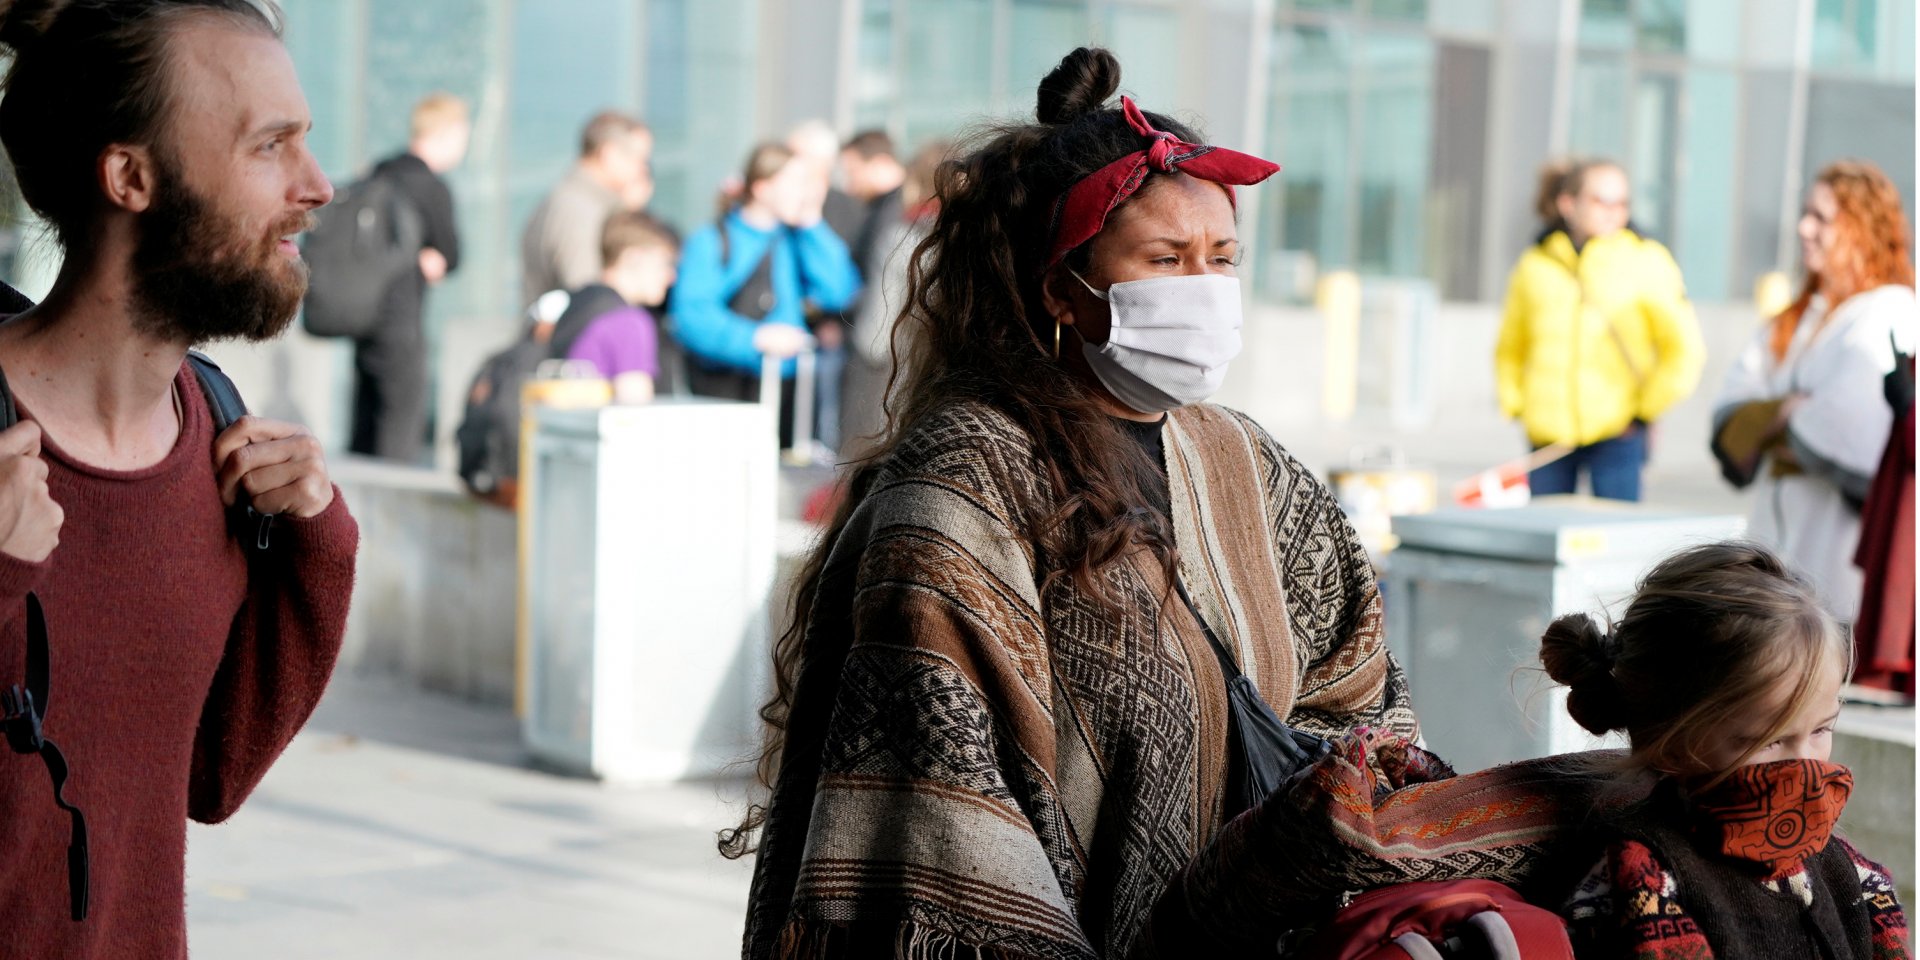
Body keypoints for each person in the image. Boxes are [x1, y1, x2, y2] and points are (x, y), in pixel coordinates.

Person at [728, 48, 1416, 957]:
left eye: (1222, 259)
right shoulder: (961, 486)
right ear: (1063, 288)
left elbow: (1355, 676)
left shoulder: (1242, 459)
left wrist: (1315, 836)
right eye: (1166, 260)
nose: (1205, 291)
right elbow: (939, 823)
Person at [0, 1, 358, 955]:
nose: (318, 186)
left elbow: (213, 775)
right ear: (131, 177)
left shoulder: (219, 441)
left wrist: (320, 543)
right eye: (270, 146)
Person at [1540, 542, 1907, 958]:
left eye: (1822, 729)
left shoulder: (1850, 871)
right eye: (1769, 740)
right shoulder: (1646, 880)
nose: (1807, 764)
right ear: (1672, 744)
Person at [1711, 160, 1917, 624]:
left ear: (1863, 228)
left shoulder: (1889, 310)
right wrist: (1785, 410)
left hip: (1837, 553)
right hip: (1774, 541)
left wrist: (1771, 428)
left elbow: (1853, 422)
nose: (1804, 228)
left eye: (1821, 218)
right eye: (1805, 214)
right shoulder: (1799, 314)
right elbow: (1731, 405)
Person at [1496, 158, 1705, 501]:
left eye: (1621, 203)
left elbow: (1683, 349)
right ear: (1568, 203)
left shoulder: (1647, 260)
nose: (1612, 212)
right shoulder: (1535, 264)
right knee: (1543, 529)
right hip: (1548, 436)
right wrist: (1518, 404)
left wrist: (1643, 411)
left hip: (1618, 434)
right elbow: (1511, 345)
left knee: (1616, 532)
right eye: (1600, 201)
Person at [671, 142, 860, 449]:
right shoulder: (712, 241)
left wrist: (812, 223)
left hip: (791, 394)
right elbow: (691, 316)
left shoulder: (796, 239)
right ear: (761, 188)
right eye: (795, 182)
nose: (805, 192)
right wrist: (755, 338)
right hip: (731, 394)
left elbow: (839, 292)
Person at [347, 91, 467, 463]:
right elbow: (452, 255)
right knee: (399, 430)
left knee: (365, 425)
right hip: (402, 321)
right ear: (447, 133)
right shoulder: (430, 186)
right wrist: (427, 258)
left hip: (363, 317)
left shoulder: (377, 173)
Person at [841, 138, 946, 458]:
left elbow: (875, 334)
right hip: (948, 381)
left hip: (896, 376)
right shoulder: (976, 238)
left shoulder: (903, 236)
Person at [519, 110, 652, 309]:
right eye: (639, 159)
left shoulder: (584, 201)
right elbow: (587, 294)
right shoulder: (577, 209)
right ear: (609, 154)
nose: (643, 170)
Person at [559, 211, 680, 405]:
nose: (671, 276)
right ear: (633, 258)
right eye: (664, 263)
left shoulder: (577, 303)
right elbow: (635, 411)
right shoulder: (628, 322)